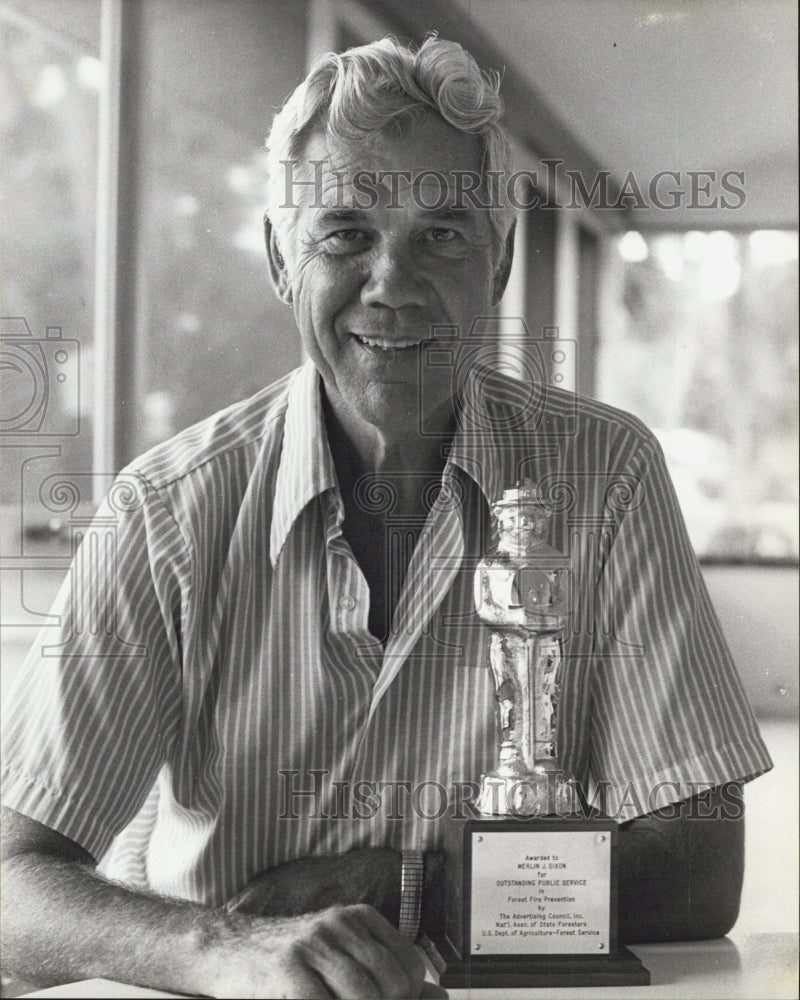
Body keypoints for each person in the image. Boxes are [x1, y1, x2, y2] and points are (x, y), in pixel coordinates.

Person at [1, 35, 772, 999]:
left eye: (442, 233)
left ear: (499, 262)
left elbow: (703, 864)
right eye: (346, 234)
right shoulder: (167, 511)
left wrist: (405, 890)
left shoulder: (606, 474)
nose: (393, 284)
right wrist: (225, 948)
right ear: (284, 258)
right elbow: (11, 889)